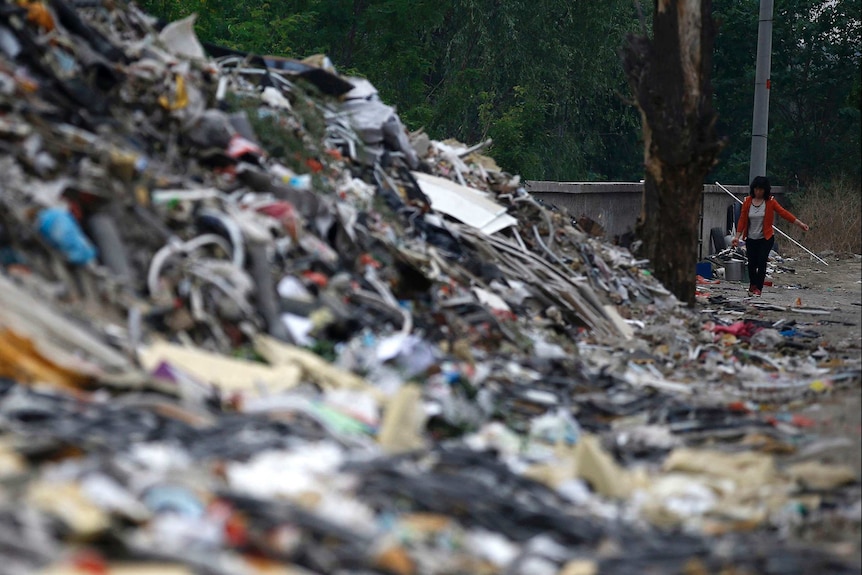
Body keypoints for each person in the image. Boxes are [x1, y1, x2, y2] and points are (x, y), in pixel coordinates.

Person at [731, 176, 809, 296]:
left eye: (761, 190)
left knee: (762, 262)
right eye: (756, 189)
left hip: (766, 238)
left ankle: (759, 289)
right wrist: (737, 236)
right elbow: (742, 220)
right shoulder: (747, 202)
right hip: (751, 238)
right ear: (753, 189)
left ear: (765, 190)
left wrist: (800, 224)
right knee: (751, 263)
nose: (758, 192)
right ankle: (753, 284)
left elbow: (783, 213)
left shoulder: (770, 202)